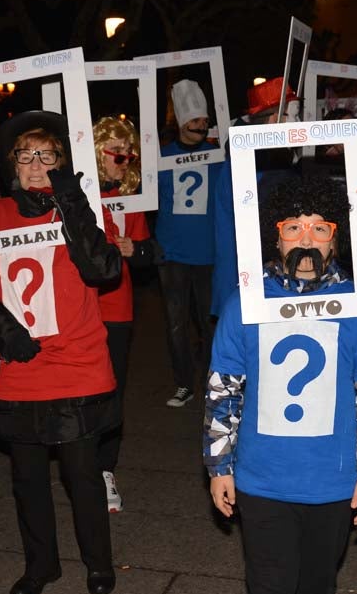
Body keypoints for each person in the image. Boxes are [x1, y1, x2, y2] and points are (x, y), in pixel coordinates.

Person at [205, 174, 357, 594]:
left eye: (320, 227)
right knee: (268, 592)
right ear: (275, 234)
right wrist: (219, 464)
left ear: (337, 236)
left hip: (331, 481)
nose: (307, 239)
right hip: (262, 477)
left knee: (317, 585)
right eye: (294, 227)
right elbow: (224, 388)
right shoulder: (245, 302)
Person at [0, 111, 121, 594]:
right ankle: (41, 565)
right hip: (19, 366)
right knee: (28, 479)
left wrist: (71, 202)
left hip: (75, 364)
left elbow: (103, 269)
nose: (35, 164)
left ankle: (98, 562)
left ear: (61, 163)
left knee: (82, 475)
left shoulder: (74, 209)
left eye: (47, 155)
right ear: (11, 163)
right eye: (25, 155)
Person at [93, 115, 160, 512]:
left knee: (112, 389)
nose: (122, 160)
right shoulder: (74, 195)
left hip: (116, 308)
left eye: (128, 154)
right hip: (75, 308)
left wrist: (135, 250)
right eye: (115, 153)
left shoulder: (127, 198)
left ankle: (105, 468)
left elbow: (151, 252)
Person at [156, 79, 224, 407]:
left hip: (210, 254)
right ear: (183, 122)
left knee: (211, 323)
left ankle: (211, 380)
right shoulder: (163, 158)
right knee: (176, 325)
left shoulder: (218, 156)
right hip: (172, 255)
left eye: (204, 120)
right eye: (195, 120)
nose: (201, 126)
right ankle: (184, 383)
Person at [209, 76, 300, 322]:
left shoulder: (258, 159)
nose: (298, 123)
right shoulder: (255, 164)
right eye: (291, 116)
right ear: (273, 120)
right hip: (250, 282)